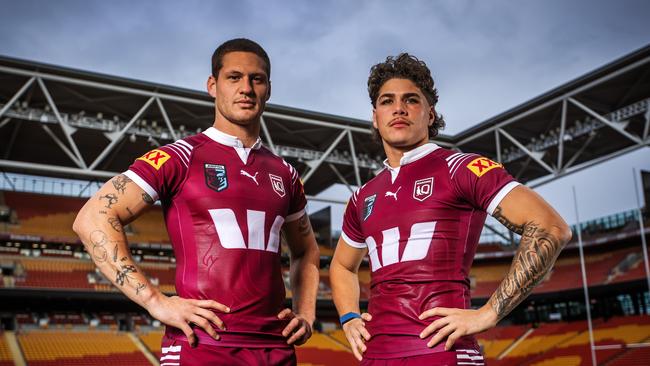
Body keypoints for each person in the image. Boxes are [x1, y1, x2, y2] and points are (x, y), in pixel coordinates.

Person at [73, 38, 320, 366]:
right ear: (212, 86)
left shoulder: (285, 173)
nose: (246, 88)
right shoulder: (179, 157)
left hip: (274, 348)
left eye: (256, 79)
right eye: (234, 77)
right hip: (201, 344)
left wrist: (306, 313)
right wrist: (154, 300)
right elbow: (92, 218)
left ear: (268, 89)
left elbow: (306, 250)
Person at [330, 53, 572, 365]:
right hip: (375, 356)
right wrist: (349, 316)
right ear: (375, 117)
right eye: (386, 101)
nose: (399, 108)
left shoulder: (461, 168)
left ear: (430, 115)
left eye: (411, 100)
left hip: (441, 352)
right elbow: (341, 266)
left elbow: (551, 227)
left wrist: (489, 313)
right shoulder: (363, 196)